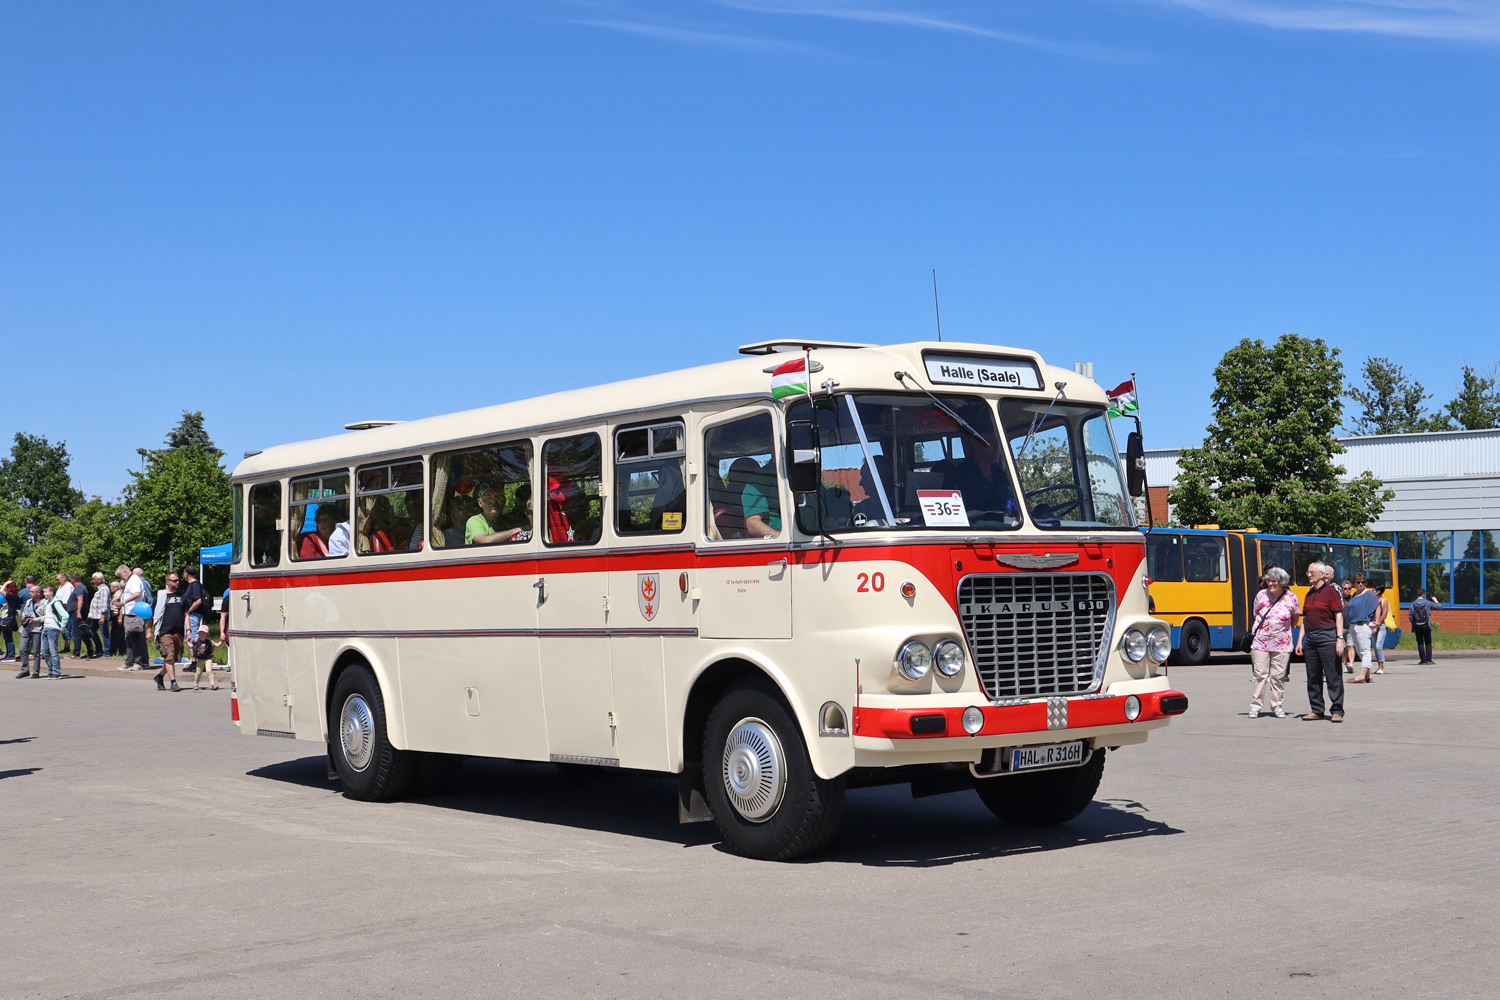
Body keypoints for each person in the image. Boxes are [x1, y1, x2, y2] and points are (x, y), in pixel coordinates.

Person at [1295, 561, 1346, 723]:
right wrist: (1299, 641)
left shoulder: (1331, 592)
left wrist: (1339, 639)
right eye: (1308, 572)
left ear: (1322, 575)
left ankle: (1337, 710)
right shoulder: (1309, 594)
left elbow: (1338, 615)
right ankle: (1317, 709)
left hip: (1328, 638)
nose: (1309, 575)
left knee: (1333, 675)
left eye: (1312, 572)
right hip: (1311, 640)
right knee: (1313, 676)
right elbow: (1305, 619)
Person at [1249, 566, 1301, 719]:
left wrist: (1282, 631)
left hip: (1282, 643)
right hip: (1260, 642)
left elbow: (1295, 617)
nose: (1271, 584)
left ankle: (1277, 706)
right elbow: (1256, 614)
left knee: (1278, 676)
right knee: (1260, 674)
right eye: (1269, 581)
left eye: (1274, 582)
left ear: (1282, 583)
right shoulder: (1261, 596)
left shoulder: (1291, 597)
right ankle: (1255, 707)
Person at [151, 571, 186, 692]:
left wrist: (189, 630)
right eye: (175, 580)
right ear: (168, 582)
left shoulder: (181, 596)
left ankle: (159, 676)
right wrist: (149, 630)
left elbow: (185, 614)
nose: (177, 582)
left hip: (179, 632)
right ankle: (173, 682)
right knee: (169, 656)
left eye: (178, 580)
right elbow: (152, 615)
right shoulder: (161, 597)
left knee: (175, 659)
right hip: (165, 631)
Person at [1345, 574, 1379, 684]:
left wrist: (1376, 622)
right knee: (1359, 651)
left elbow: (1377, 607)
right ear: (1354, 583)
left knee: (1365, 651)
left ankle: (1361, 676)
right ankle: (1367, 676)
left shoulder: (1369, 594)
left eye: (1363, 582)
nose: (1360, 584)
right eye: (1358, 582)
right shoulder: (1355, 595)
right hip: (1353, 625)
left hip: (1363, 625)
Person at [120, 566, 148, 670]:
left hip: (135, 614)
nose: (121, 579)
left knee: (136, 639)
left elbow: (137, 593)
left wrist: (124, 602)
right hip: (129, 613)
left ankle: (139, 662)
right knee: (129, 639)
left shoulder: (134, 580)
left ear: (125, 572)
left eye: (121, 577)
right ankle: (129, 661)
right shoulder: (131, 580)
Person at [16, 584, 46, 679]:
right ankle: (25, 670)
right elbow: (24, 611)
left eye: (32, 592)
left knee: (36, 651)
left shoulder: (44, 603)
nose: (30, 593)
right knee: (22, 649)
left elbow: (46, 617)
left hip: (37, 629)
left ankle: (36, 672)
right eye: (30, 592)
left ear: (38, 593)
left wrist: (34, 619)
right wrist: (24, 616)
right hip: (26, 628)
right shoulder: (29, 601)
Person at [1409, 588, 1440, 664]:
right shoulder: (1427, 603)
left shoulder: (1413, 604)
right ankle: (1429, 659)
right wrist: (1435, 601)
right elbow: (1440, 607)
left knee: (1420, 643)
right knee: (1428, 642)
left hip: (1417, 626)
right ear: (1423, 594)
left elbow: (1410, 616)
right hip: (1426, 625)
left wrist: (1414, 624)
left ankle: (1423, 660)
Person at [40, 584, 64, 678]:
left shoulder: (56, 602)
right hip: (45, 628)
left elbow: (65, 615)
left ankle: (56, 671)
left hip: (53, 628)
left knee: (53, 651)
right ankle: (50, 669)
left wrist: (62, 627)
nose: (44, 593)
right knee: (44, 650)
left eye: (46, 592)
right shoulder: (47, 603)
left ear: (51, 592)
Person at [189, 624, 218, 690]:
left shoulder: (210, 642)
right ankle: (196, 684)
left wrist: (222, 641)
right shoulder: (196, 640)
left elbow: (217, 645)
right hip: (199, 659)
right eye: (200, 632)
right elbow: (190, 645)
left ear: (206, 634)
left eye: (203, 632)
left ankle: (213, 684)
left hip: (208, 659)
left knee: (209, 671)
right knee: (198, 672)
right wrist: (188, 641)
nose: (201, 633)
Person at [89, 572, 111, 657]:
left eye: (94, 579)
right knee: (91, 631)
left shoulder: (104, 589)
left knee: (104, 633)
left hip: (100, 616)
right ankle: (99, 649)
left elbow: (104, 603)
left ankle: (107, 651)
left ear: (100, 580)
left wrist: (103, 616)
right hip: (95, 616)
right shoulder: (99, 589)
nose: (93, 581)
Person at [1372, 585, 1393, 675]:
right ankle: (1378, 666)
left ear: (1378, 591)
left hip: (1382, 625)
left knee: (1378, 646)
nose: (1372, 591)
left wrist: (1377, 624)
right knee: (1375, 647)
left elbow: (1384, 614)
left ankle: (1381, 667)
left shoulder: (1384, 601)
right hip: (1373, 625)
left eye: (1373, 590)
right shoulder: (1372, 601)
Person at [182, 565, 206, 640]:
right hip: (192, 615)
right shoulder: (193, 584)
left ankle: (197, 652)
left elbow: (198, 601)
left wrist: (189, 611)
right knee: (189, 639)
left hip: (193, 615)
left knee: (192, 638)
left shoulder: (195, 584)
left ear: (186, 574)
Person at [55, 572, 74, 654]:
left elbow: (66, 600)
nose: (57, 581)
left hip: (65, 609)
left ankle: (67, 647)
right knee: (63, 628)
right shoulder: (60, 587)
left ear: (64, 579)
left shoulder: (68, 586)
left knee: (66, 628)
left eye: (58, 579)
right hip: (59, 609)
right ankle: (65, 646)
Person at [0, 581, 18, 661]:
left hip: (8, 618)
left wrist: (6, 583)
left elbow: (1, 591)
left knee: (8, 638)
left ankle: (11, 655)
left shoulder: (12, 596)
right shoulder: (13, 596)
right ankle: (8, 654)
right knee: (7, 637)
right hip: (7, 618)